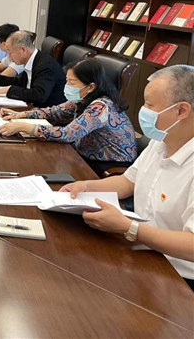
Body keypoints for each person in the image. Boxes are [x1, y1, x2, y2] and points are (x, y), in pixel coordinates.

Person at [60, 65, 194, 291]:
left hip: (178, 277)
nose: (143, 111)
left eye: (149, 105)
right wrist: (86, 186)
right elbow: (127, 182)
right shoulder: (161, 141)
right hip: (144, 251)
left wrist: (129, 228)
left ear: (181, 110)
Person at [0, 58, 137, 174]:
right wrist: (21, 114)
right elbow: (55, 112)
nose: (68, 86)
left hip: (109, 165)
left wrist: (25, 127)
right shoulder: (83, 98)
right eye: (67, 81)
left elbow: (67, 134)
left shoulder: (101, 107)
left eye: (72, 82)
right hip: (85, 154)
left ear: (90, 87)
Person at [0, 30, 66, 107]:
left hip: (47, 111)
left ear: (23, 50)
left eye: (10, 52)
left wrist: (11, 90)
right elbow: (19, 82)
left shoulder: (45, 66)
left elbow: (39, 95)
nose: (9, 57)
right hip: (31, 107)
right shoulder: (32, 60)